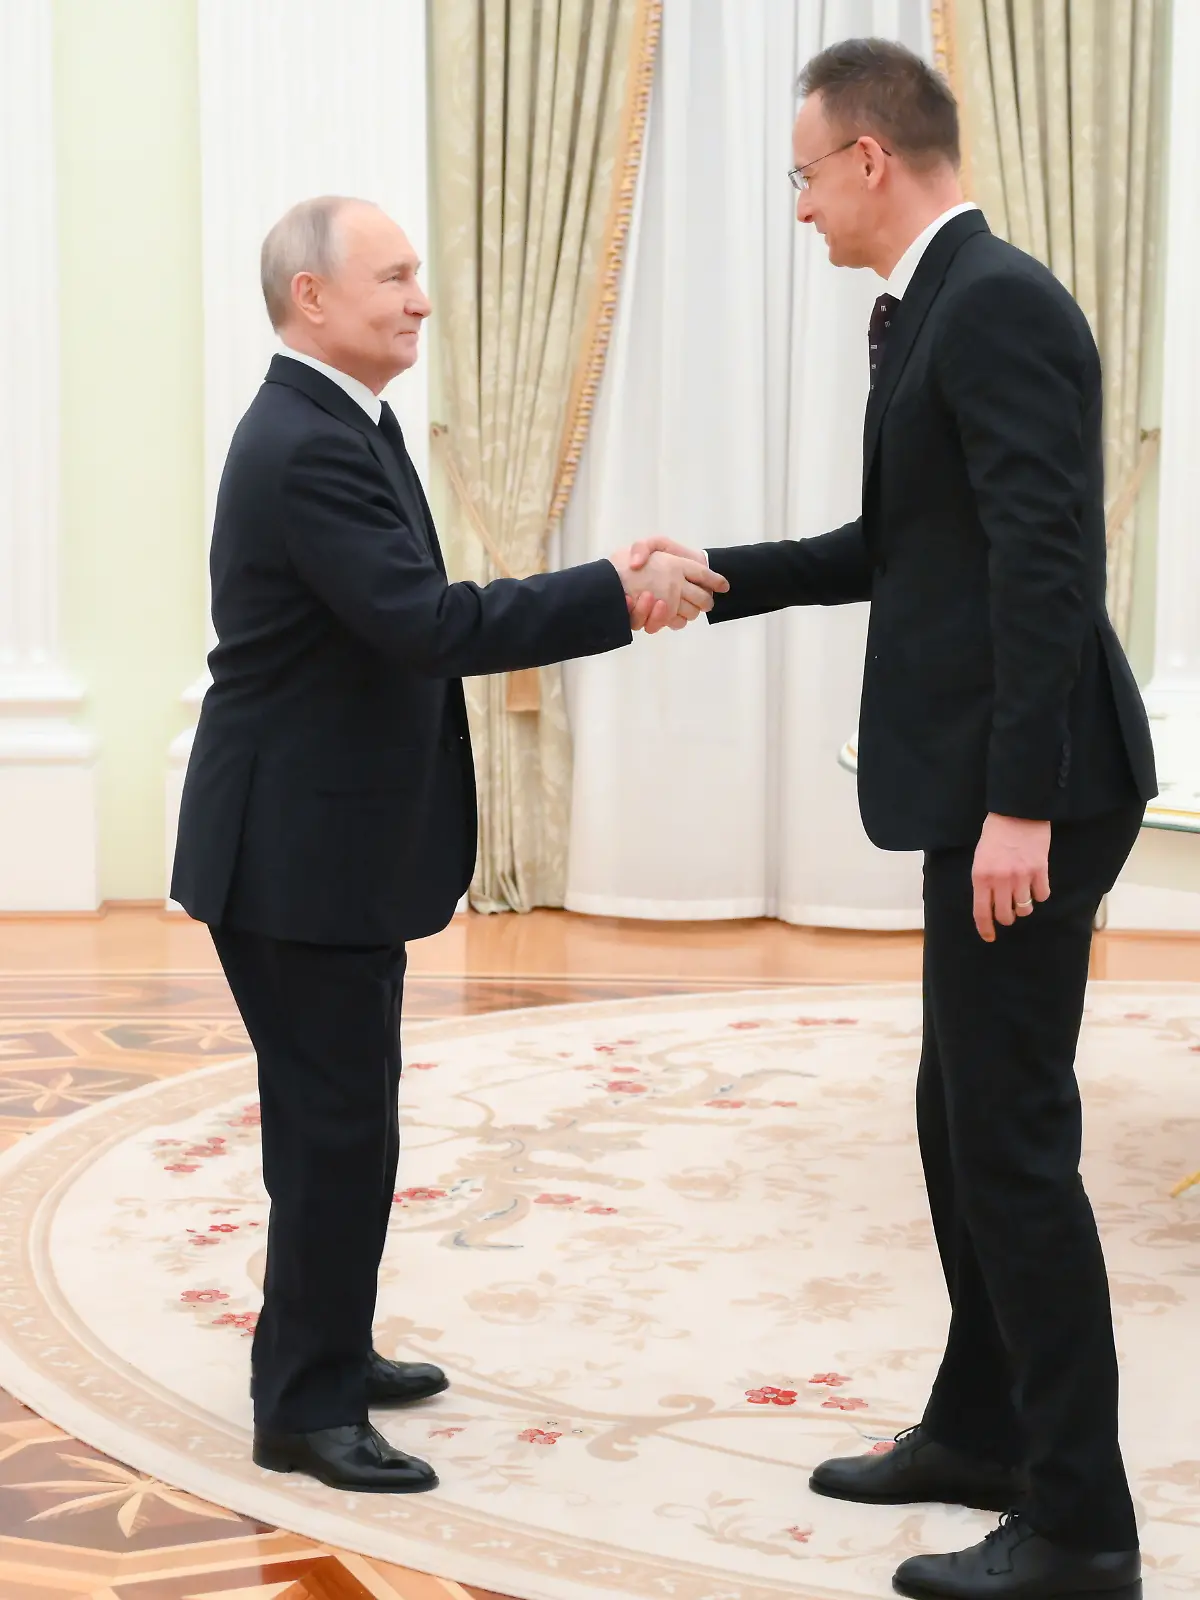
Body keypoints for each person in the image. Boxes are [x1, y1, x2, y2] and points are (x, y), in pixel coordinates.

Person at [632, 38, 1155, 1600]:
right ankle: (983, 1425)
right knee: (957, 1114)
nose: (794, 207)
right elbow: (904, 544)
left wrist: (1020, 806)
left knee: (1011, 1142)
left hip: (1037, 786)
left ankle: (1083, 1527)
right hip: (1003, 777)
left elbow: (1051, 568)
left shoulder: (997, 306)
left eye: (800, 174)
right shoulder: (927, 307)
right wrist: (715, 572)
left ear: (869, 159)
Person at [171, 195, 727, 1495]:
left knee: (351, 1122)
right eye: (396, 276)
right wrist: (611, 590)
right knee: (330, 1130)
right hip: (292, 854)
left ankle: (332, 1347)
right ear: (313, 298)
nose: (422, 298)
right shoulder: (303, 442)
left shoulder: (346, 421)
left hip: (330, 844)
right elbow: (422, 623)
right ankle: (300, 1410)